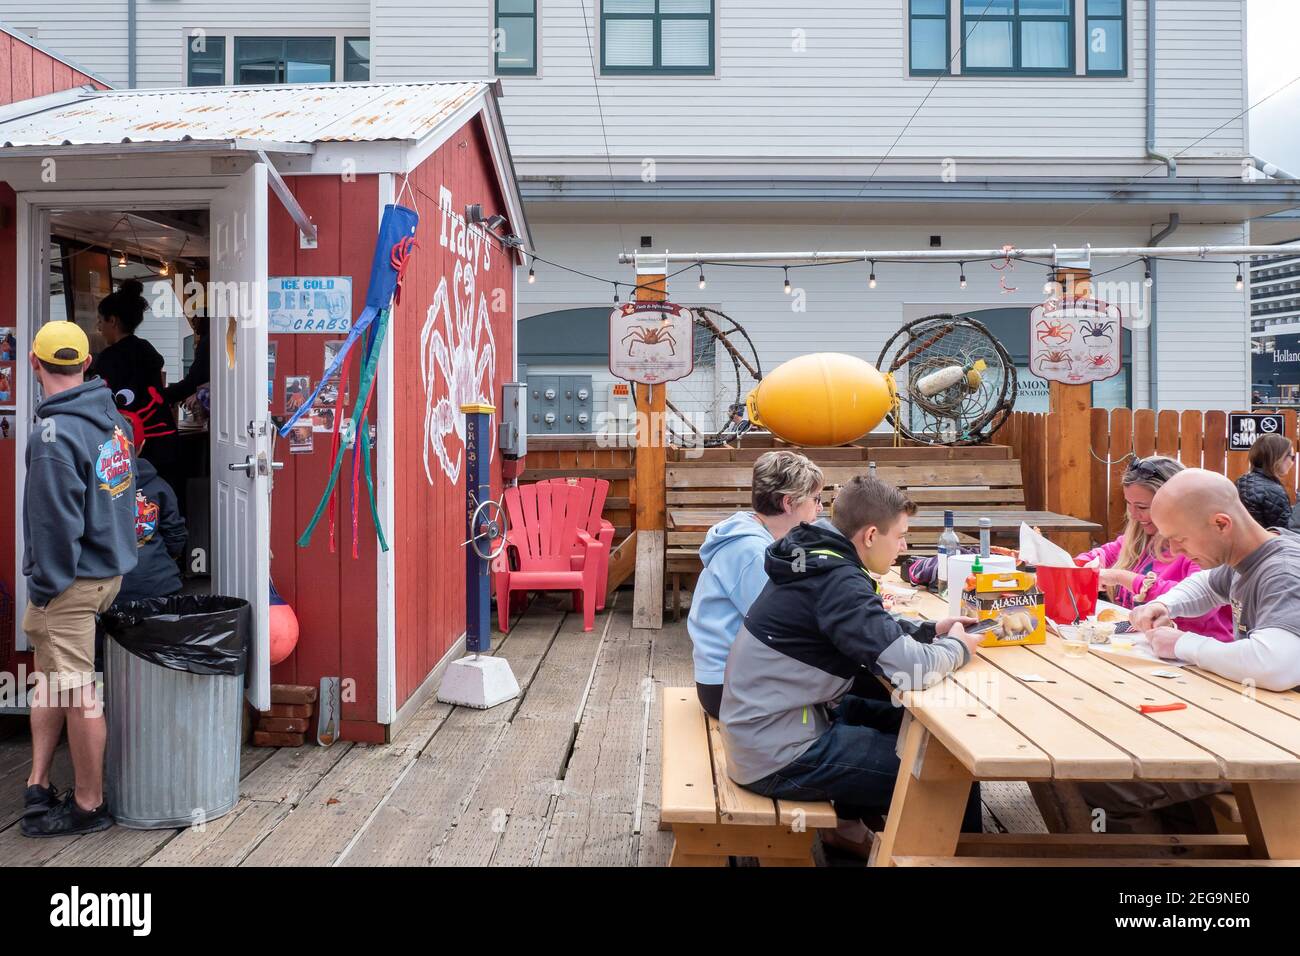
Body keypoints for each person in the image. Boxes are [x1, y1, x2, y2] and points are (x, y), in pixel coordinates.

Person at [719, 475, 981, 859]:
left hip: (779, 724)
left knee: (917, 731)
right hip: (780, 754)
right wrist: (959, 646)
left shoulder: (820, 559)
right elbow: (913, 668)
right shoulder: (836, 579)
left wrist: (930, 629)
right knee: (949, 775)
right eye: (902, 536)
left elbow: (870, 630)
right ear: (872, 535)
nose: (905, 548)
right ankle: (959, 854)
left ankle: (859, 832)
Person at [1076, 469, 1300, 832]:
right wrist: (1166, 605)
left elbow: (1275, 665)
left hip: (1280, 744)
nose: (1176, 551)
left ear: (1221, 523)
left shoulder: (1285, 572)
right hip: (1260, 724)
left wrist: (1182, 643)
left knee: (1103, 779)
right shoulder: (1248, 557)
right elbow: (1206, 586)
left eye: (1180, 539)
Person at [21, 321, 138, 838]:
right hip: (106, 572)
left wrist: (46, 588)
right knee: (50, 677)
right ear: (88, 363)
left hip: (68, 584)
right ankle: (38, 782)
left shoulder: (51, 435)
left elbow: (53, 526)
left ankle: (89, 806)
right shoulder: (113, 422)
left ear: (34, 363)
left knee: (79, 692)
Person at [686, 450, 824, 718]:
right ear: (788, 503)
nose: (819, 507)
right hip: (728, 687)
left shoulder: (755, 537)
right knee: (848, 686)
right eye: (815, 499)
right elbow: (787, 624)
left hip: (732, 677)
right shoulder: (751, 552)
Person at [1077, 456, 1232, 642]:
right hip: (1151, 648)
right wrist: (1089, 563)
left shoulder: (1199, 547)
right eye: (1128, 504)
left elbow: (1200, 602)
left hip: (1199, 656)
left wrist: (1123, 578)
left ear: (1172, 505)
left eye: (1142, 506)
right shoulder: (1140, 538)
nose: (1134, 515)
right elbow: (1099, 555)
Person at [90, 279, 184, 509]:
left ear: (113, 320)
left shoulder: (109, 359)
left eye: (101, 320)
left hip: (135, 446)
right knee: (166, 505)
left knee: (133, 507)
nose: (99, 327)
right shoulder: (147, 351)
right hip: (166, 439)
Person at [1235, 433, 1294, 530]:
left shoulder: (1242, 481)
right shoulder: (1273, 491)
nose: (1292, 463)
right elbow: (1285, 533)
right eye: (1292, 457)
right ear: (1279, 458)